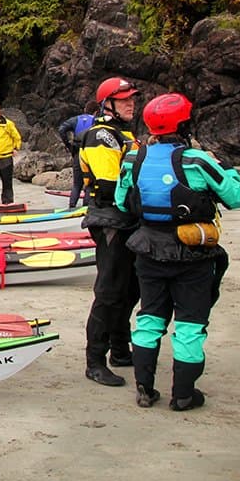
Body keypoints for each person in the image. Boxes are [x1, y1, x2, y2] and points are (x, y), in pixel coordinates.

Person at [117, 93, 240, 411]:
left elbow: (123, 203)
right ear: (185, 124)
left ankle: (145, 389)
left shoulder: (134, 158)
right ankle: (184, 394)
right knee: (190, 323)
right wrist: (226, 168)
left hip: (147, 249)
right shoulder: (197, 160)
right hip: (193, 254)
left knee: (149, 317)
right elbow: (236, 196)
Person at [79, 77, 142, 387]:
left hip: (128, 220)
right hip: (109, 220)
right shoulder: (102, 136)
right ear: (108, 104)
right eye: (124, 99)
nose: (131, 103)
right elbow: (108, 184)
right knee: (110, 290)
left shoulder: (125, 134)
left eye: (132, 98)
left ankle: (119, 348)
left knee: (131, 289)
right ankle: (95, 360)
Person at [58, 102, 100, 208]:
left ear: (85, 109)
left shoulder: (75, 119)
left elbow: (61, 129)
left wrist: (69, 145)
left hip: (77, 153)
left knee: (77, 184)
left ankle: (71, 206)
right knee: (90, 183)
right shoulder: (97, 121)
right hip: (90, 154)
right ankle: (86, 207)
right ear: (96, 112)